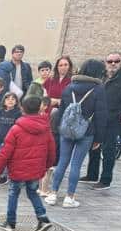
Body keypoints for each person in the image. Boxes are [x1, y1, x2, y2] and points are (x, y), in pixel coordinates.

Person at [45, 59, 109, 208]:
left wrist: (59, 129)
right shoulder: (99, 89)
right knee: (76, 164)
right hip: (87, 131)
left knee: (62, 162)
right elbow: (101, 116)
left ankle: (53, 194)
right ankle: (69, 197)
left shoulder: (69, 87)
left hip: (67, 130)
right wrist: (99, 138)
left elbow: (61, 112)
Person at [0, 95, 56, 231]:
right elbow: (52, 149)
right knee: (32, 192)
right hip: (36, 168)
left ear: (22, 108)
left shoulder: (16, 128)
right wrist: (47, 165)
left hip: (18, 170)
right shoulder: (45, 128)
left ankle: (10, 222)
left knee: (13, 193)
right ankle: (43, 218)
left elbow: (5, 151)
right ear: (39, 108)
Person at [84, 51, 121, 190]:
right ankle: (92, 174)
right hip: (97, 118)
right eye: (110, 61)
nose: (113, 64)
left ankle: (105, 180)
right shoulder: (100, 77)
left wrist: (118, 114)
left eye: (117, 61)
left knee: (108, 150)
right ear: (105, 63)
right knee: (94, 146)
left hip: (112, 120)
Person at [0, 92, 22, 184]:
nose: (10, 101)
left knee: (6, 159)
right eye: (8, 99)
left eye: (13, 99)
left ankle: (4, 176)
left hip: (9, 141)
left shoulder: (18, 113)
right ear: (4, 101)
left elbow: (18, 128)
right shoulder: (0, 111)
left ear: (16, 102)